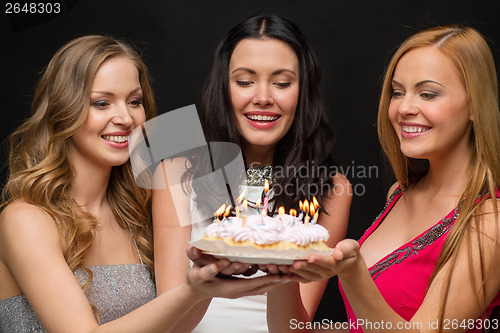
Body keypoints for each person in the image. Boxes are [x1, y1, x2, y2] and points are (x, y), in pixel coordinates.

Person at [0, 35, 286, 333]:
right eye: (102, 103)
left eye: (134, 101)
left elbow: (173, 328)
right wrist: (192, 291)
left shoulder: (136, 217)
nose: (125, 118)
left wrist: (208, 284)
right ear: (63, 111)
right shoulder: (26, 219)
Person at [289, 25, 500, 332]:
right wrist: (280, 273)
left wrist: (353, 273)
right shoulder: (399, 193)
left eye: (428, 94)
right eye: (398, 92)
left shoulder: (489, 222)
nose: (404, 108)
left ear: (474, 105)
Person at [152, 14, 352, 333]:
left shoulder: (331, 187)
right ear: (223, 87)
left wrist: (283, 263)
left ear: (304, 92)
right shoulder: (176, 174)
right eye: (245, 81)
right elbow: (169, 324)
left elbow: (293, 329)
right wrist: (208, 279)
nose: (262, 97)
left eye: (282, 83)